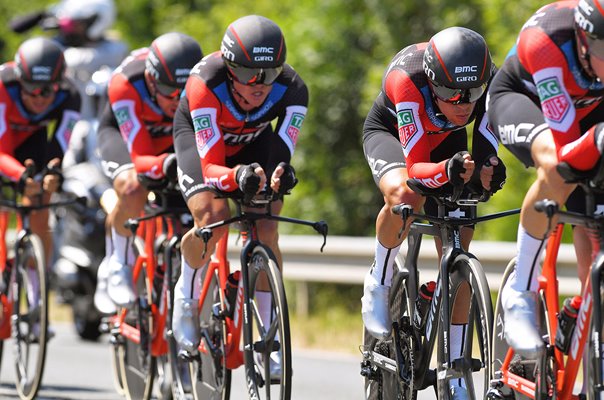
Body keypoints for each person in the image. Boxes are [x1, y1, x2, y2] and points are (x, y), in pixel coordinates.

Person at [361, 27, 506, 398]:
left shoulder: (488, 83)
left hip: (447, 144)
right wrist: (448, 171)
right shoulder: (407, 80)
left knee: (463, 226)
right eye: (450, 93)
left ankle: (454, 363)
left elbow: (486, 148)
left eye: (471, 94)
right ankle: (379, 280)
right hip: (395, 137)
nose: (462, 103)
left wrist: (489, 169)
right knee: (405, 195)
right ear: (432, 82)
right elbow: (416, 169)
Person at [171, 14, 305, 373]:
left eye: (269, 73)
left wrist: (279, 174)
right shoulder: (205, 84)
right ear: (230, 68)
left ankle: (268, 336)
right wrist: (237, 176)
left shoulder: (294, 89)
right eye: (248, 74)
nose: (259, 84)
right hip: (206, 150)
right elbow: (212, 166)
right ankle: (185, 296)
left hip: (252, 145)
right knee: (212, 217)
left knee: (267, 223)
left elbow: (280, 152)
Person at [487, 0, 604, 361]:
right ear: (583, 40)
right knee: (557, 170)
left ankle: (589, 314)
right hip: (524, 98)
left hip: (589, 108)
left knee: (594, 214)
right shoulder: (548, 40)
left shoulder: (594, 56)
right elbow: (568, 150)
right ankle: (520, 293)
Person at [98, 32, 203, 308]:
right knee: (133, 186)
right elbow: (142, 156)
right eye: (169, 90)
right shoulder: (126, 84)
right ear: (150, 80)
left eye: (184, 91)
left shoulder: (206, 84)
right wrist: (163, 164)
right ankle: (117, 261)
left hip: (173, 136)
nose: (177, 98)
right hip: (127, 136)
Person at [0, 37, 81, 268]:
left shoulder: (70, 95)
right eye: (30, 88)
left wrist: (52, 172)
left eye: (46, 90)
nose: (38, 97)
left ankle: (38, 278)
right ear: (19, 80)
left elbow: (60, 143)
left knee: (41, 198)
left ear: (59, 83)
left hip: (30, 140)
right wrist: (20, 175)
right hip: (2, 141)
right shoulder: (3, 86)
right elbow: (2, 150)